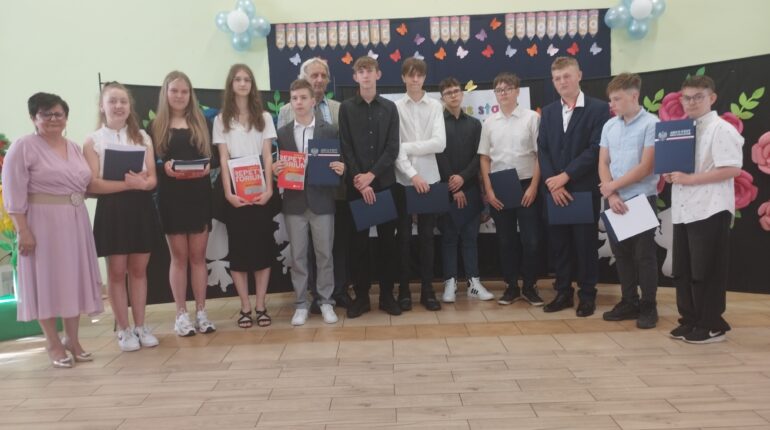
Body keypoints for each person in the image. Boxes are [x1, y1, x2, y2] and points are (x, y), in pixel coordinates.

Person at [2, 93, 103, 368]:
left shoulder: (74, 148)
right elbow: (12, 192)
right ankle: (53, 343)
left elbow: (85, 185)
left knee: (73, 279)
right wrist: (23, 231)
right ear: (33, 118)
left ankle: (73, 339)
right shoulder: (23, 147)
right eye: (45, 114)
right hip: (41, 223)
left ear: (66, 118)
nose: (53, 119)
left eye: (58, 114)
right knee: (44, 281)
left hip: (76, 221)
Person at [664, 75, 743, 343]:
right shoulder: (682, 129)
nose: (691, 102)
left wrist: (690, 179)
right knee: (683, 269)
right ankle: (690, 319)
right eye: (686, 97)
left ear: (712, 98)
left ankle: (711, 324)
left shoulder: (722, 129)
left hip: (710, 208)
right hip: (684, 208)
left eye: (698, 97)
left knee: (706, 270)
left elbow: (732, 169)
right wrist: (671, 175)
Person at [83, 82, 160, 351]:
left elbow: (152, 179)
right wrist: (130, 184)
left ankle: (140, 326)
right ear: (102, 106)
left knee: (139, 270)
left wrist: (143, 183)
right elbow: (93, 184)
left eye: (123, 101)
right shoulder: (93, 141)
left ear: (130, 106)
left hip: (140, 208)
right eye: (112, 101)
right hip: (112, 210)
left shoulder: (142, 137)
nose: (118, 106)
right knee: (116, 272)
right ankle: (124, 331)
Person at [277, 57, 353, 312]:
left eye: (323, 75)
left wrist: (342, 169)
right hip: (297, 195)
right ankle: (306, 299)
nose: (319, 80)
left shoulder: (338, 109)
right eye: (314, 75)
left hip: (330, 191)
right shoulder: (286, 114)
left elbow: (343, 148)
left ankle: (332, 295)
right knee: (301, 252)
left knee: (330, 248)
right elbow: (283, 152)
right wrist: (279, 169)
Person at [538, 57, 611, 317]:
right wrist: (554, 183)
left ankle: (587, 295)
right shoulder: (548, 112)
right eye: (557, 78)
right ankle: (563, 292)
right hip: (554, 192)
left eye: (566, 76)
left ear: (579, 75)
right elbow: (543, 149)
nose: (562, 82)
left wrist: (566, 176)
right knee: (560, 245)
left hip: (582, 190)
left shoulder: (598, 109)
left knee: (584, 245)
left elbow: (595, 149)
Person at [150, 71, 216, 336]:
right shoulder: (155, 126)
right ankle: (181, 315)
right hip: (171, 198)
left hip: (199, 196)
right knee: (179, 258)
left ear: (191, 94)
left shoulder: (203, 122)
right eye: (174, 91)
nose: (179, 96)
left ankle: (201, 312)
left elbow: (214, 157)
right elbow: (150, 163)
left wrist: (208, 166)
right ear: (165, 93)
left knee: (198, 257)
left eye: (184, 91)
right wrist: (163, 167)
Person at [213, 64, 278, 329]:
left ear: (252, 85)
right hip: (234, 187)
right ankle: (245, 306)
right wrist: (228, 193)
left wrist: (269, 189)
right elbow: (223, 158)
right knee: (239, 251)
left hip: (259, 184)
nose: (242, 83)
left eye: (247, 79)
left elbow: (267, 156)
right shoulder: (221, 119)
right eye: (238, 79)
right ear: (231, 84)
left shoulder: (264, 117)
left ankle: (261, 305)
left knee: (262, 249)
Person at [339, 56, 401, 318]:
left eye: (370, 70)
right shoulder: (346, 108)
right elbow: (346, 147)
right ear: (355, 77)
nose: (365, 75)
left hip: (384, 185)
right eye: (361, 71)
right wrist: (360, 179)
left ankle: (387, 296)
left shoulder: (390, 108)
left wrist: (372, 176)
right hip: (356, 187)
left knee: (388, 244)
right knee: (358, 245)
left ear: (378, 74)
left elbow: (392, 148)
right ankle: (362, 297)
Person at [598, 73, 660, 329]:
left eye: (617, 99)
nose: (612, 104)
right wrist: (611, 194)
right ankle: (629, 301)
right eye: (610, 99)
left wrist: (612, 186)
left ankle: (648, 305)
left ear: (634, 96)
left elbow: (646, 167)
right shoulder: (609, 126)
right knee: (621, 255)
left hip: (641, 198)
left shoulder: (652, 123)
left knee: (644, 256)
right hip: (614, 199)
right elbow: (603, 162)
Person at [479, 72, 544, 308]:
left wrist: (534, 186)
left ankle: (530, 286)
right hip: (500, 185)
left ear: (517, 91)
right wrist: (489, 190)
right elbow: (484, 158)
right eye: (499, 90)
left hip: (527, 183)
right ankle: (511, 286)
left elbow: (540, 155)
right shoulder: (489, 122)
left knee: (531, 240)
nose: (503, 93)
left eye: (507, 89)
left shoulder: (531, 118)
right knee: (505, 240)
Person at [394, 58, 446, 312]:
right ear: (403, 77)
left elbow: (440, 143)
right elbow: (394, 149)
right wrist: (412, 174)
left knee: (427, 238)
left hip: (431, 179)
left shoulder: (435, 106)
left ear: (424, 78)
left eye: (419, 75)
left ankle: (428, 290)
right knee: (403, 238)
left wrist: (406, 147)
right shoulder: (395, 107)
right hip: (403, 179)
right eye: (410, 75)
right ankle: (404, 290)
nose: (415, 79)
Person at [436, 78, 493, 303]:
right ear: (442, 98)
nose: (453, 95)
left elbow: (479, 156)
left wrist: (462, 178)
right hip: (445, 191)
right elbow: (438, 155)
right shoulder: (437, 123)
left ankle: (473, 284)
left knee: (470, 238)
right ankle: (449, 283)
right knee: (449, 238)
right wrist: (453, 183)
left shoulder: (475, 124)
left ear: (461, 94)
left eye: (456, 91)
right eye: (448, 92)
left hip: (470, 189)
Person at [277, 57, 341, 127]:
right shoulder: (285, 111)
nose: (320, 80)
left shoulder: (339, 108)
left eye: (323, 76)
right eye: (315, 76)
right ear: (303, 79)